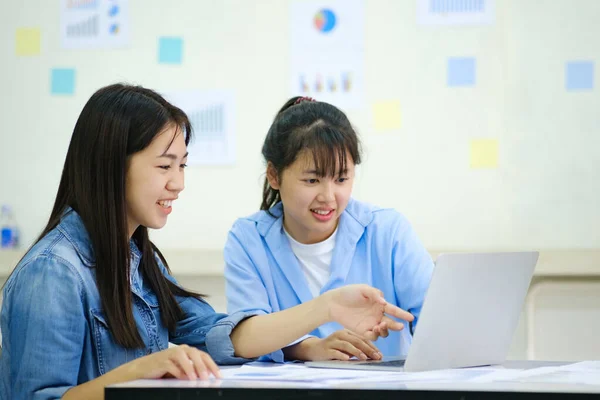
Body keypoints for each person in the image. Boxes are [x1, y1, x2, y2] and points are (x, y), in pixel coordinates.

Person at [0, 85, 412, 400]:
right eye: (164, 166)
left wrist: (321, 316)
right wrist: (141, 372)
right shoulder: (52, 273)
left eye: (182, 165)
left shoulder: (141, 261)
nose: (178, 184)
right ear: (110, 168)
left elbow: (219, 334)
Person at [225, 96, 434, 363]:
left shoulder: (388, 231)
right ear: (274, 175)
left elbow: (438, 318)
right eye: (312, 180)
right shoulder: (248, 239)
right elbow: (244, 338)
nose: (329, 196)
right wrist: (309, 345)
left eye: (342, 179)